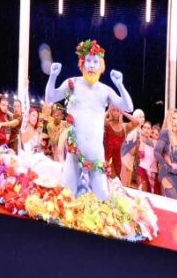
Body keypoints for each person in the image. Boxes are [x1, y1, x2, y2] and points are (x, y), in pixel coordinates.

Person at [44, 40, 133, 200]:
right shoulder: (73, 83)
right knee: (68, 196)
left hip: (96, 154)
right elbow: (50, 97)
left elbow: (128, 106)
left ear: (101, 66)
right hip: (74, 152)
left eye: (95, 62)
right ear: (82, 63)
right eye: (89, 61)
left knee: (102, 198)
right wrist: (53, 76)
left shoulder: (105, 90)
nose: (92, 66)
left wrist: (120, 85)